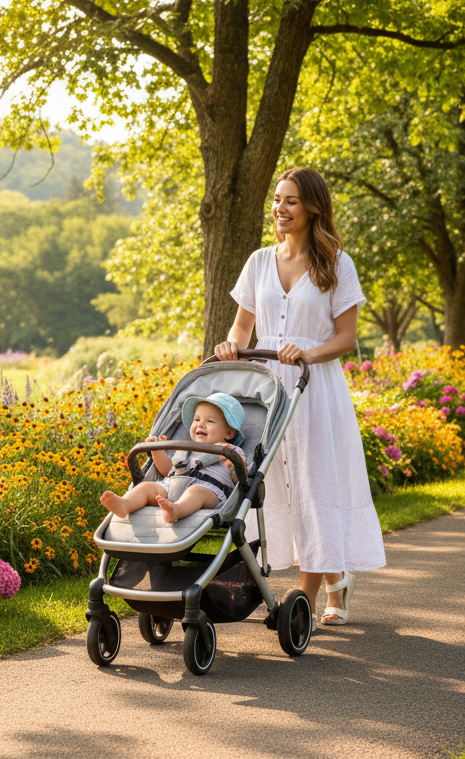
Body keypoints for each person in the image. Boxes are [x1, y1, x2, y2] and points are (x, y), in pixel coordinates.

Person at [216, 166, 386, 627]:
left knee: (315, 487)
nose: (280, 209)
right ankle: (335, 579)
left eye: (290, 201)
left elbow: (346, 337)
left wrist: (307, 352)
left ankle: (308, 597)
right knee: (274, 486)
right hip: (267, 393)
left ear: (311, 208)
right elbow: (243, 325)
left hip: (314, 390)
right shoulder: (257, 262)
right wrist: (232, 344)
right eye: (277, 199)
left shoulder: (336, 264)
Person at [100, 393, 246, 525]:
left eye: (210, 421)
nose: (200, 424)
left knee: (195, 492)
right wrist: (157, 451)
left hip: (210, 490)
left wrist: (234, 467)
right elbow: (167, 470)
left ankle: (176, 510)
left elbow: (240, 480)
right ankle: (125, 504)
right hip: (173, 484)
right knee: (147, 487)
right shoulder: (185, 448)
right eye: (197, 419)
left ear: (229, 433)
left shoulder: (231, 451)